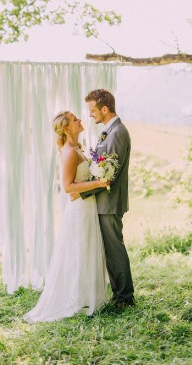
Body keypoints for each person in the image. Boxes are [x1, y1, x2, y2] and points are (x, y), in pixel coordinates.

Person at [23, 111, 110, 322]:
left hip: (88, 205)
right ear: (66, 128)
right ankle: (77, 299)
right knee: (79, 251)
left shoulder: (78, 148)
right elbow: (68, 187)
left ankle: (89, 297)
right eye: (74, 119)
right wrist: (99, 183)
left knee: (87, 249)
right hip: (79, 208)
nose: (80, 120)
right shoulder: (70, 152)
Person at [78, 89, 135, 307]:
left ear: (104, 108)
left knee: (115, 250)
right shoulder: (109, 131)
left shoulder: (118, 132)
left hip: (110, 203)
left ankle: (124, 298)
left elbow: (110, 174)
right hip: (103, 202)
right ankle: (119, 295)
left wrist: (81, 191)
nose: (91, 115)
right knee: (110, 251)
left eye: (92, 110)